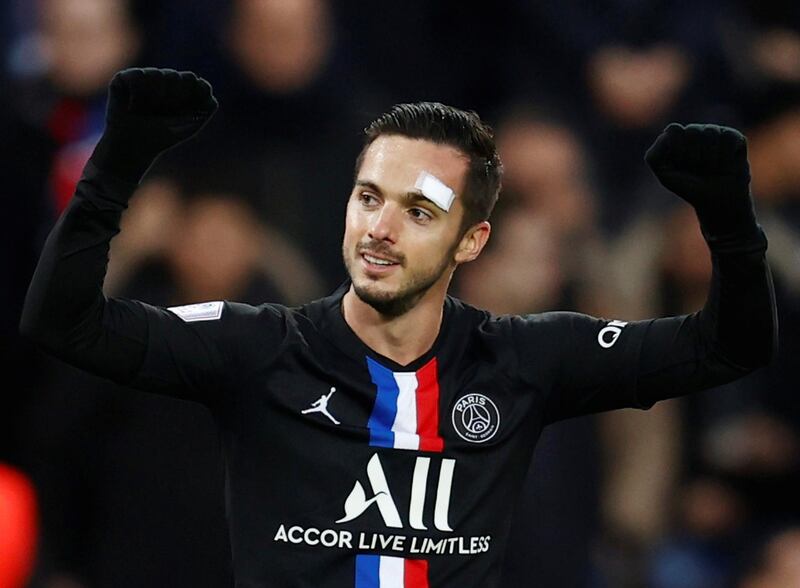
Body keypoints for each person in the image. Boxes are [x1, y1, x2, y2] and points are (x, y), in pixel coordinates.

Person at [20, 68, 776, 587]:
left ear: (471, 242)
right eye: (367, 197)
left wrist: (730, 224)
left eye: (418, 212)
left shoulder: (526, 358)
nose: (379, 229)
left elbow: (729, 345)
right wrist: (115, 169)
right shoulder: (260, 346)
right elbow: (65, 323)